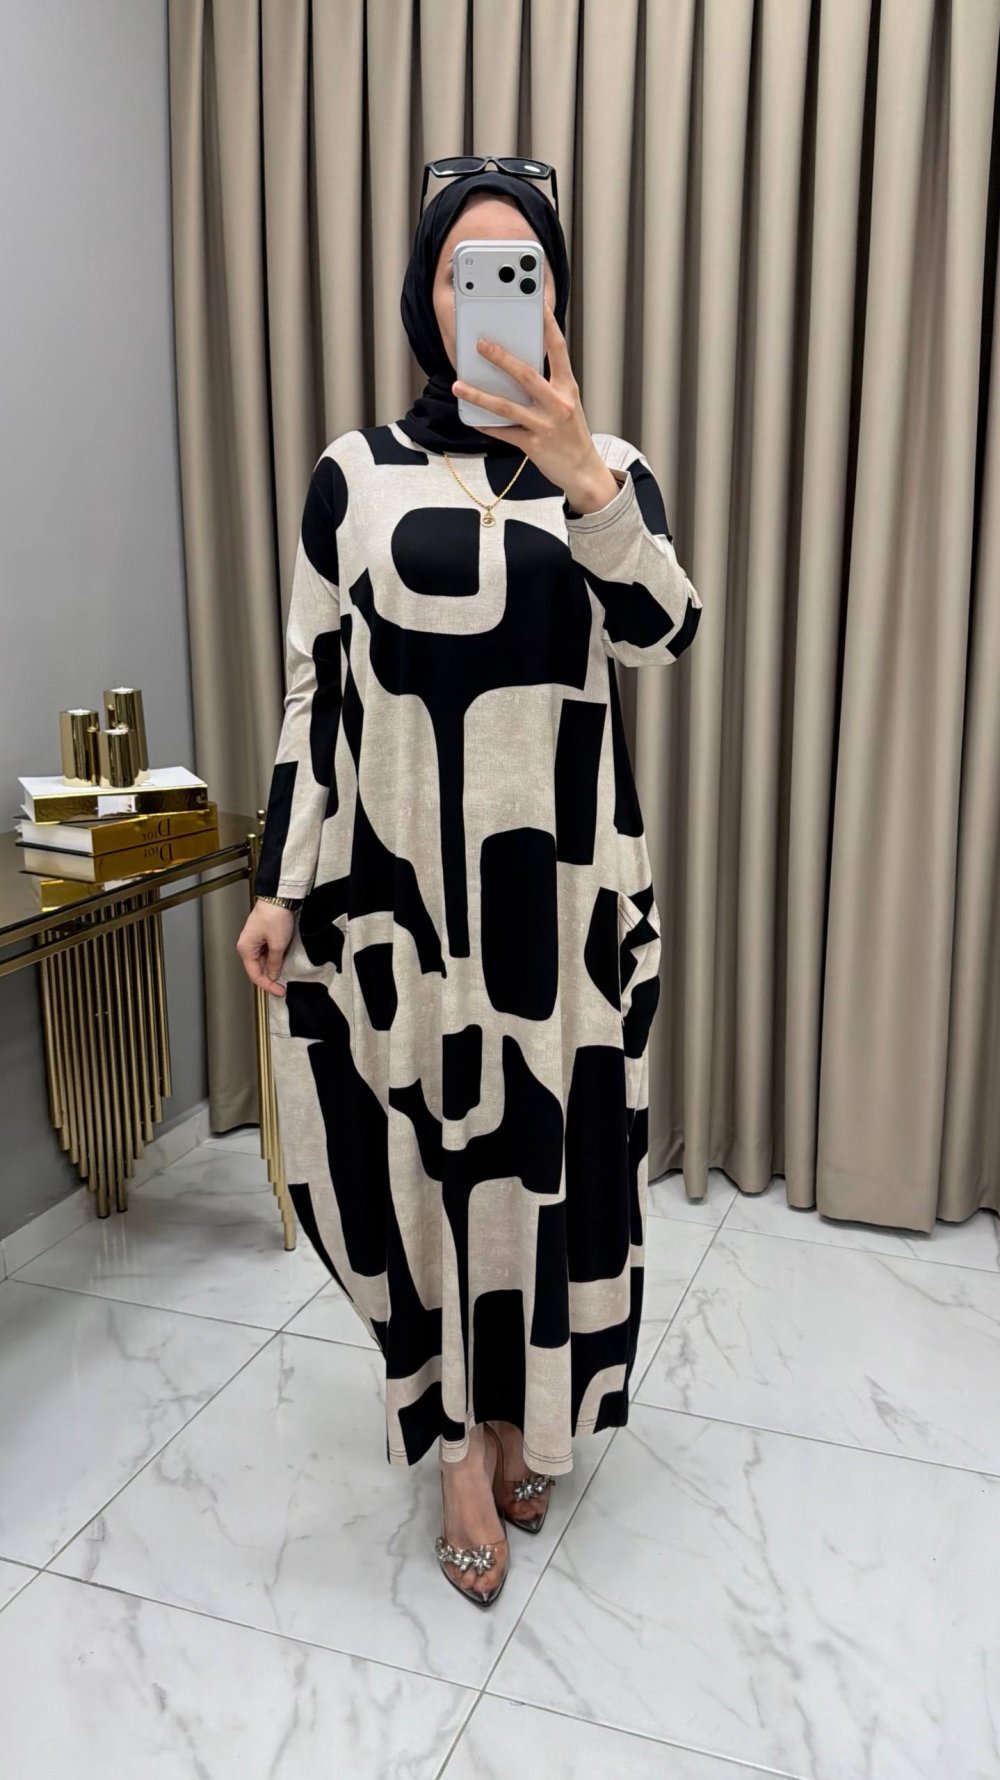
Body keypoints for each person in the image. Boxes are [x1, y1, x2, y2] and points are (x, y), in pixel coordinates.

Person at [236, 167, 703, 1607]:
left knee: (543, 1173)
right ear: (425, 300)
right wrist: (280, 878)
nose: (492, 296)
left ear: (554, 299)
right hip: (399, 908)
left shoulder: (609, 468)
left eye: (522, 271)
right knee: (422, 1179)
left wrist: (583, 476)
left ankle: (527, 1417)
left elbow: (665, 635)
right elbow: (315, 688)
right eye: (463, 272)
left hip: (561, 907)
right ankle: (453, 1445)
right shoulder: (352, 474)